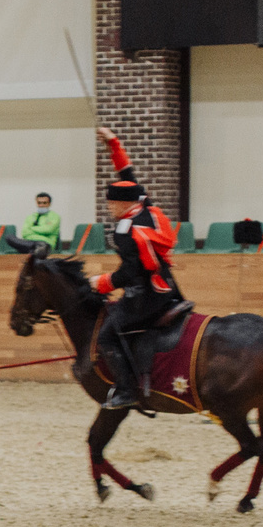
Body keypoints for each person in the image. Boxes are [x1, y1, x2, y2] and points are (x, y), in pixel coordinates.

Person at [91, 127, 183, 412]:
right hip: (167, 285)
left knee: (107, 335)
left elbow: (130, 273)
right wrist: (113, 144)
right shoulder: (146, 209)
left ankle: (126, 390)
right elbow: (127, 176)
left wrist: (103, 282)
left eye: (110, 203)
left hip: (145, 295)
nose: (108, 208)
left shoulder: (128, 231)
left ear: (121, 203)